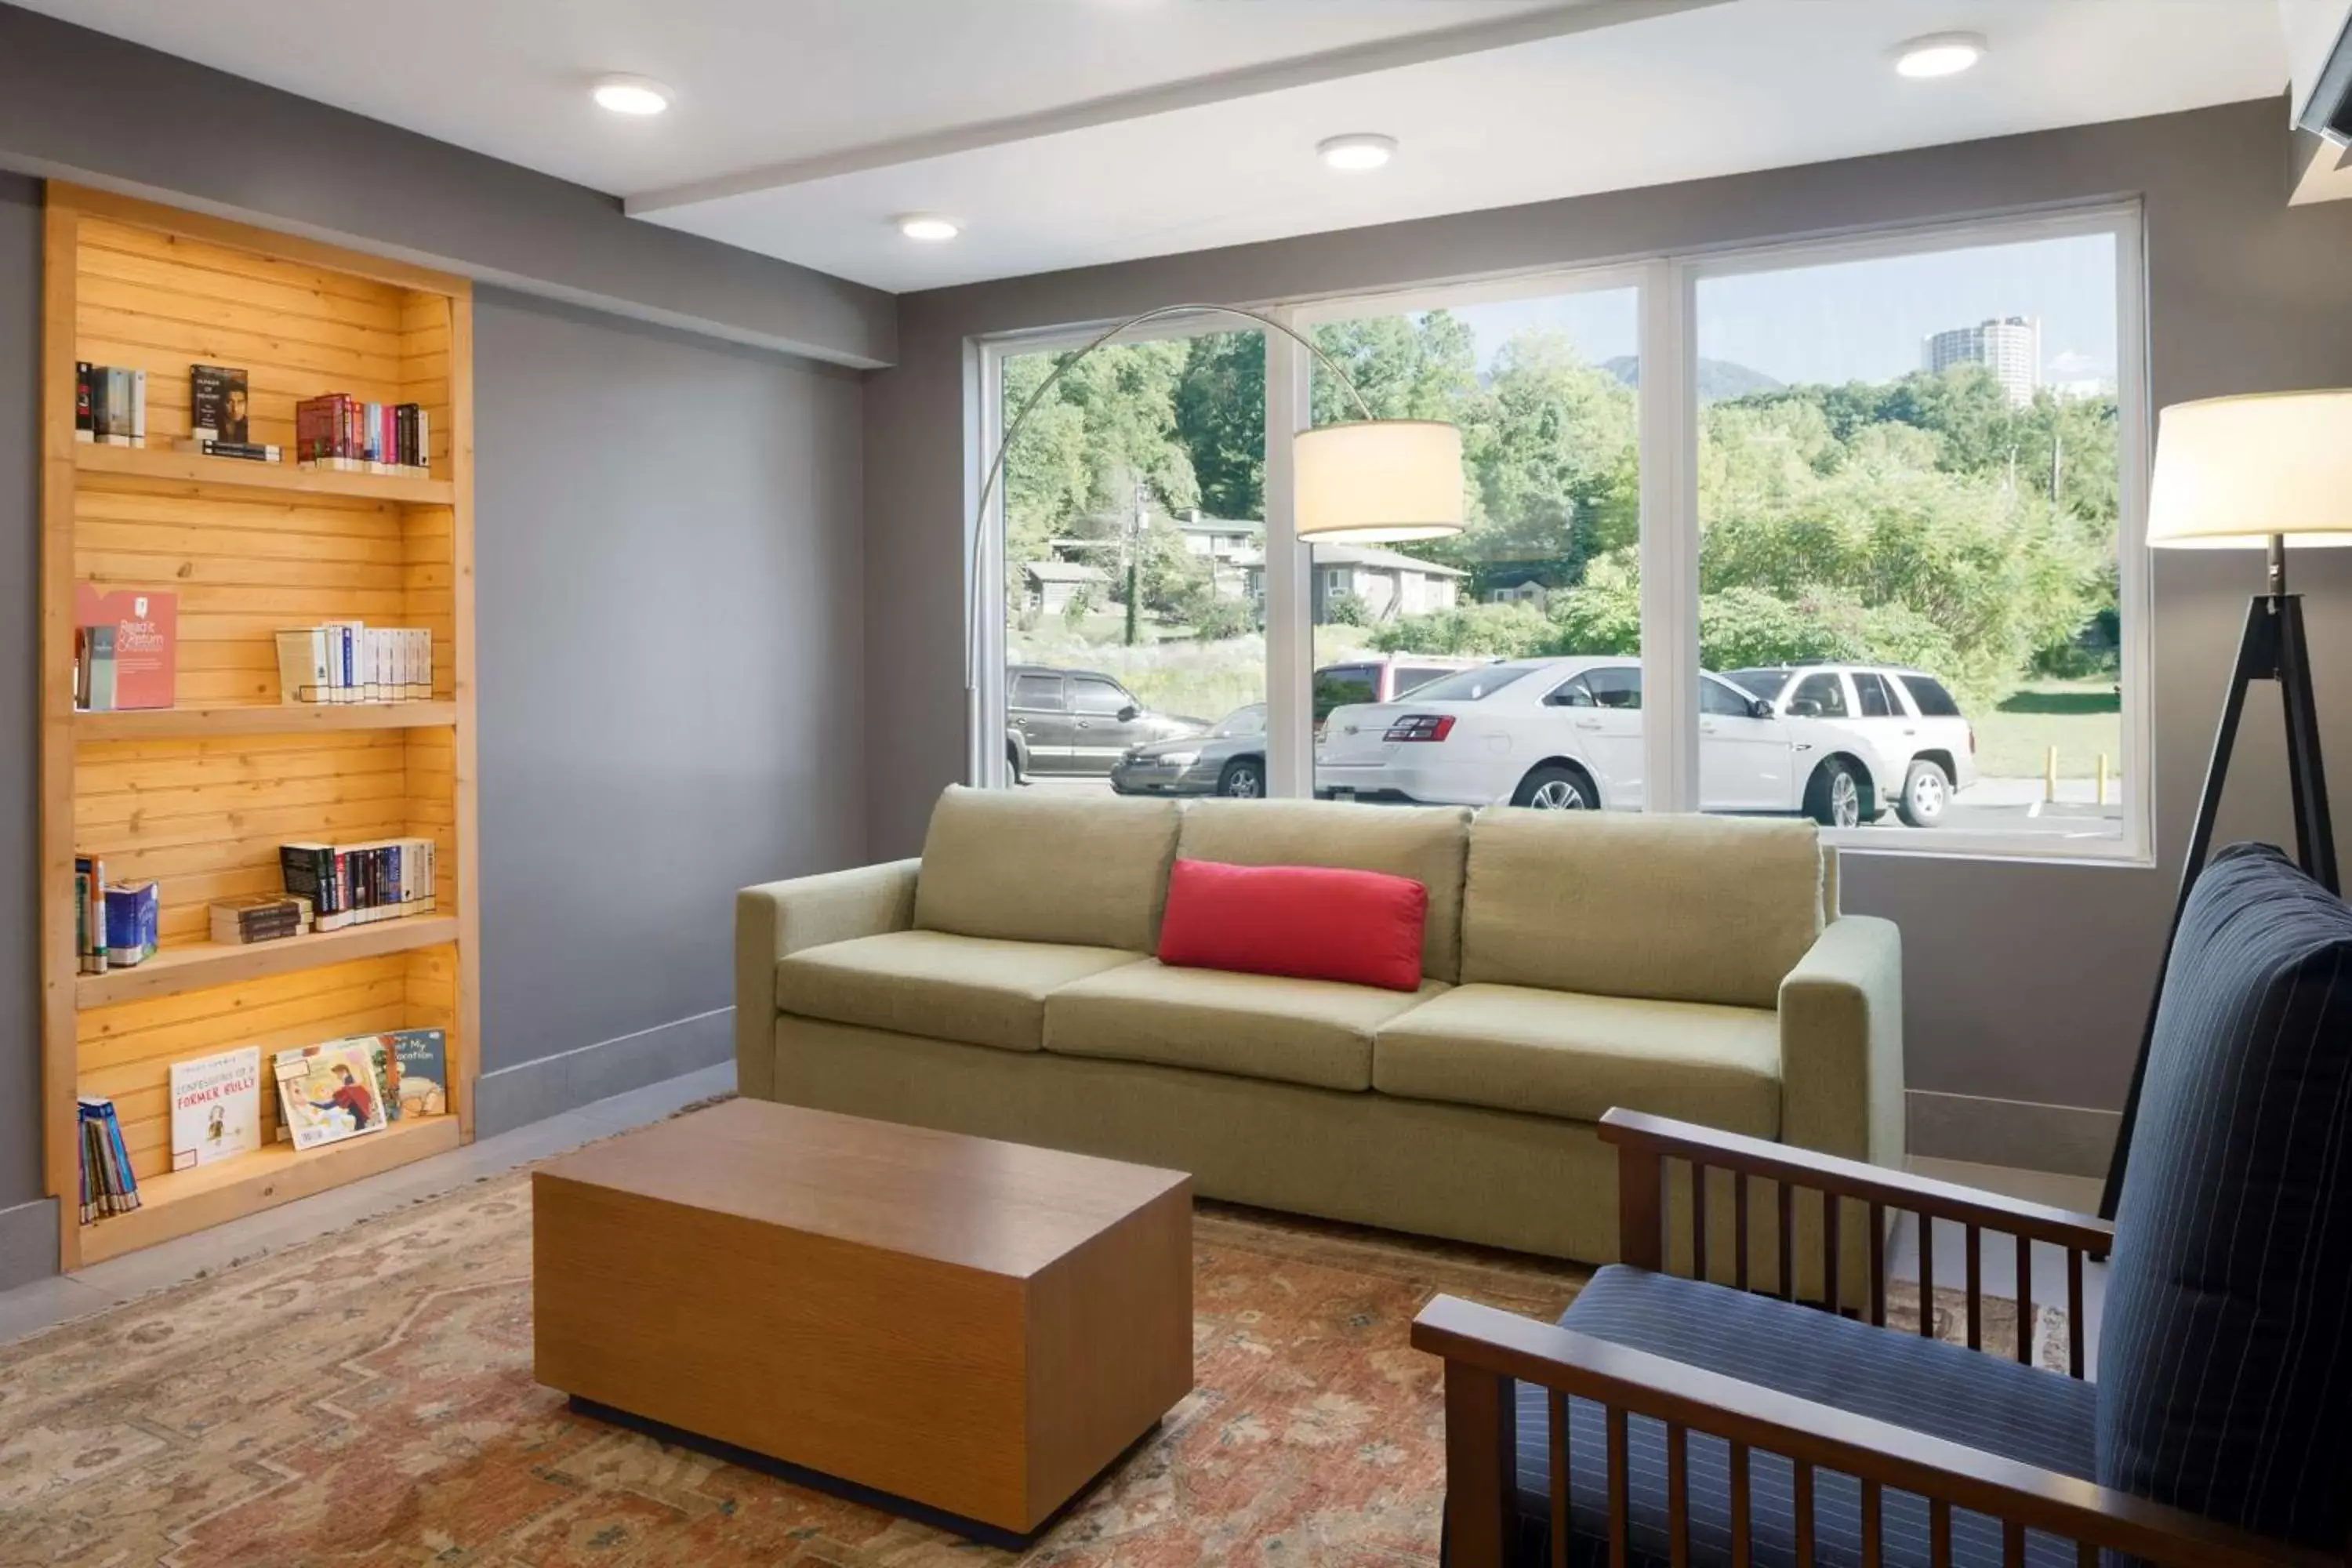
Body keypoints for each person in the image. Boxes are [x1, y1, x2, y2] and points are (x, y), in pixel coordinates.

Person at [309, 1063, 376, 1133]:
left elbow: (327, 1106)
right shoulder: (348, 1086)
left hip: (356, 1115)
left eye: (338, 1074)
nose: (337, 1077)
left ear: (343, 1072)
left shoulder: (348, 1087)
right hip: (354, 1116)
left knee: (360, 1127)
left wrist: (311, 1103)